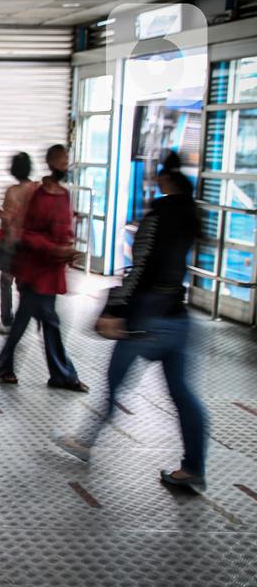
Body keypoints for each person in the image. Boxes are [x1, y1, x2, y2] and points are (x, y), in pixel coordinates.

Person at [56, 152, 208, 491]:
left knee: (114, 382)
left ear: (165, 181)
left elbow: (140, 267)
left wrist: (117, 310)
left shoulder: (159, 214)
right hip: (177, 315)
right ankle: (194, 468)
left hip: (146, 314)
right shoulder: (190, 214)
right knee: (183, 394)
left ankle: (84, 442)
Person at [0, 144, 87, 392]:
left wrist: (66, 250)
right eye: (62, 162)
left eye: (68, 162)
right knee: (47, 322)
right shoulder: (37, 195)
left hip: (50, 271)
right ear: (51, 163)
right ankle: (61, 374)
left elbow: (63, 230)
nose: (66, 167)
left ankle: (7, 365)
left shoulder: (63, 196)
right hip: (34, 270)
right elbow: (28, 233)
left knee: (31, 320)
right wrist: (54, 249)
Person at [0, 153, 37, 335]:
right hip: (30, 245)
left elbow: (7, 218)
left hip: (12, 244)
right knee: (24, 285)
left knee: (6, 282)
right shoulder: (37, 189)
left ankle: (7, 322)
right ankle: (24, 320)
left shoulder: (13, 191)